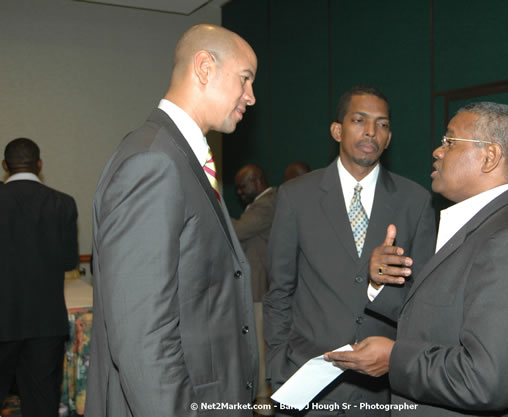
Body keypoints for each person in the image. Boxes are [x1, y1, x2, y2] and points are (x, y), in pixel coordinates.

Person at [326, 102, 508, 417]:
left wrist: (395, 359)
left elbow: (488, 381)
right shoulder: (486, 226)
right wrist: (380, 284)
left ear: (489, 157)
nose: (437, 151)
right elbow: (444, 318)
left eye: (449, 142)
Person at [86, 24, 259, 417]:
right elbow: (143, 339)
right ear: (203, 67)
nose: (251, 96)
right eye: (245, 79)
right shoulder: (153, 162)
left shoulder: (177, 156)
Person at [264, 85, 436, 416]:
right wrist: (277, 367)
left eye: (382, 124)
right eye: (359, 120)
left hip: (381, 390)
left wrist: (378, 287)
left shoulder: (415, 202)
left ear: (389, 138)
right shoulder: (296, 197)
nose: (371, 131)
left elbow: (423, 301)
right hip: (306, 379)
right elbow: (279, 292)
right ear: (337, 130)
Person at [0, 138, 78, 417]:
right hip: (46, 322)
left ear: (5, 166)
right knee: (42, 405)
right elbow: (70, 262)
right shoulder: (63, 203)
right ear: (40, 164)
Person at [231, 163, 277, 413]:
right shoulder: (260, 204)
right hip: (255, 287)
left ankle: (263, 400)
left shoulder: (268, 203)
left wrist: (212, 208)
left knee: (259, 346)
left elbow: (237, 231)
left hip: (261, 288)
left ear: (257, 181)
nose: (238, 192)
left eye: (242, 186)